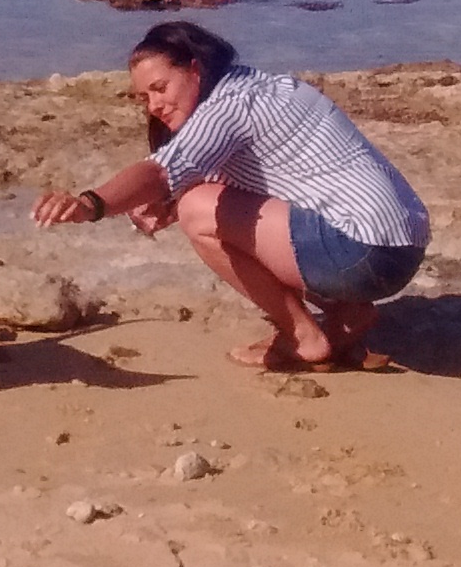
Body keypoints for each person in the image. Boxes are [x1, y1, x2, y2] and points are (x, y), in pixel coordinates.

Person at [31, 21, 429, 371]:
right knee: (196, 203)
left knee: (198, 212)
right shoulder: (256, 86)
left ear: (195, 69)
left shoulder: (228, 108)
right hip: (401, 247)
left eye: (160, 88)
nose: (154, 107)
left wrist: (91, 204)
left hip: (361, 250)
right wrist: (167, 204)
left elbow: (161, 171)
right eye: (144, 98)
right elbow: (249, 184)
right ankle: (346, 312)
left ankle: (303, 338)